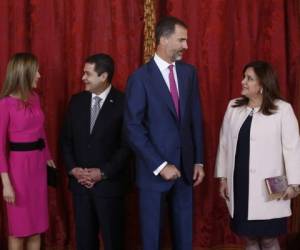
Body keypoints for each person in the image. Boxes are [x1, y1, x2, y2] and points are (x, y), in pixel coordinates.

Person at [124, 16, 205, 250]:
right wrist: (160, 165)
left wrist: (198, 160)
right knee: (152, 240)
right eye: (181, 40)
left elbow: (195, 119)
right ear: (163, 39)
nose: (186, 46)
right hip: (153, 173)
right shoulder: (139, 79)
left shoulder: (189, 73)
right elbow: (133, 128)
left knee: (184, 239)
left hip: (186, 171)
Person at [215, 60, 300, 250]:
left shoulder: (282, 110)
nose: (243, 82)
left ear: (262, 85)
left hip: (271, 187)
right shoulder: (233, 107)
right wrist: (223, 178)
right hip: (241, 185)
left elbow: (293, 148)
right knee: (249, 238)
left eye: (249, 78)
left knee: (269, 239)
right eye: (244, 77)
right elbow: (224, 144)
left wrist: (295, 184)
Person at [60, 53, 130, 250]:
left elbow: (127, 147)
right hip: (80, 187)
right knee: (84, 242)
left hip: (109, 187)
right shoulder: (76, 101)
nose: (83, 78)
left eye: (87, 74)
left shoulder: (124, 103)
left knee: (113, 241)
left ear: (103, 76)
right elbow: (65, 140)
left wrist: (103, 173)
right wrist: (74, 169)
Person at [0, 52, 55, 250]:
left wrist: (48, 157)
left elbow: (41, 131)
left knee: (36, 227)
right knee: (19, 229)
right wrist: (6, 184)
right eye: (36, 71)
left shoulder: (34, 98)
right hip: (18, 172)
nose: (39, 75)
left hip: (38, 168)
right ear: (24, 74)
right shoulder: (5, 104)